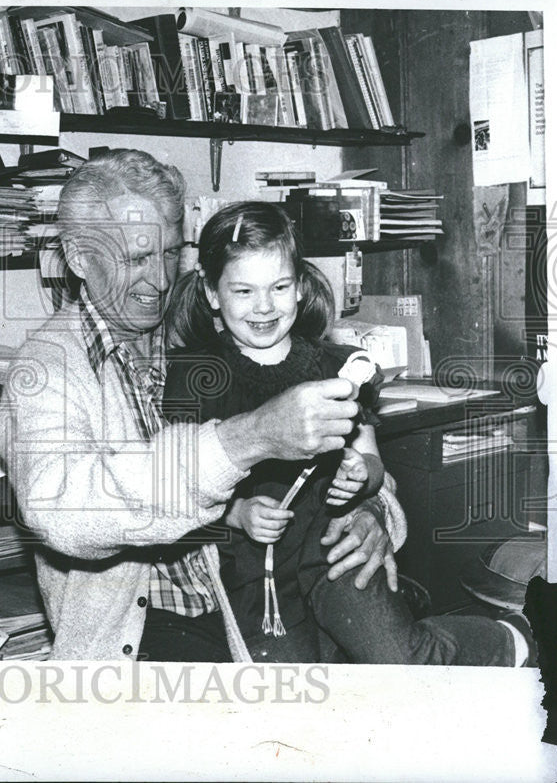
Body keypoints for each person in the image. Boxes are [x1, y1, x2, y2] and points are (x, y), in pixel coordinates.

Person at [0, 150, 395, 661]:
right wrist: (244, 440)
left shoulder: (210, 327)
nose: (160, 282)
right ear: (77, 257)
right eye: (136, 259)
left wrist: (372, 508)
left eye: (168, 254)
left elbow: (354, 453)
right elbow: (62, 512)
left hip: (260, 596)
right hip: (144, 631)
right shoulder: (47, 370)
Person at [162, 201, 535, 665]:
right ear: (212, 293)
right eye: (243, 290)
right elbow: (176, 489)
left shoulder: (337, 369)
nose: (264, 307)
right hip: (255, 578)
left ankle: (507, 641)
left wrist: (363, 476)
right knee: (288, 695)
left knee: (401, 659)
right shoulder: (193, 376)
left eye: (279, 287)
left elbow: (374, 463)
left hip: (335, 553)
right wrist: (235, 513)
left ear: (299, 286)